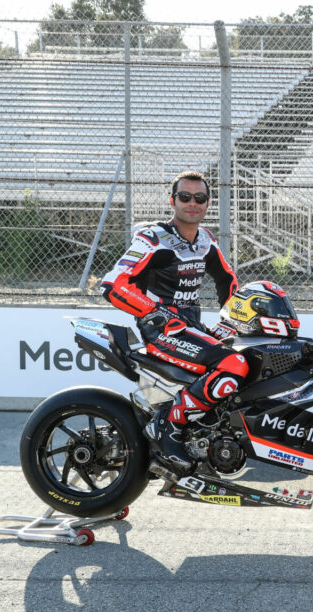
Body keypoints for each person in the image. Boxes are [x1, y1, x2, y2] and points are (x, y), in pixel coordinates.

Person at [101, 170, 243, 476]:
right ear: (173, 200)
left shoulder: (205, 239)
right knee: (233, 365)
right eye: (185, 197)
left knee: (252, 355)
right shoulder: (153, 237)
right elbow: (113, 284)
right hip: (163, 331)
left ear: (207, 204)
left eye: (200, 198)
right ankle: (168, 427)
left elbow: (228, 282)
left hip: (191, 328)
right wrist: (156, 312)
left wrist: (235, 320)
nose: (192, 203)